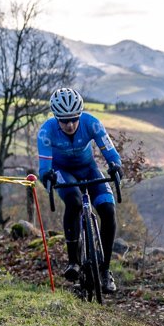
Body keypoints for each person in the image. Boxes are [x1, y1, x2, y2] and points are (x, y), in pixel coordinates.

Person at [37, 87, 123, 294]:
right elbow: (44, 168)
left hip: (89, 169)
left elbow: (110, 152)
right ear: (56, 118)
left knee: (108, 210)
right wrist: (47, 176)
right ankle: (73, 261)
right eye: (64, 120)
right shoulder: (46, 132)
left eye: (74, 119)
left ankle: (105, 270)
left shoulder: (91, 123)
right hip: (62, 171)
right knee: (74, 202)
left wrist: (115, 166)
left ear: (80, 115)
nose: (70, 125)